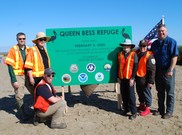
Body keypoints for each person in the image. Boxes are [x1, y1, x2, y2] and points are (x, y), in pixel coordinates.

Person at [151, 24, 178, 119]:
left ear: (166, 31)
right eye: (159, 31)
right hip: (158, 71)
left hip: (168, 71)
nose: (161, 32)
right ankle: (161, 109)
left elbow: (174, 57)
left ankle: (169, 111)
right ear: (157, 32)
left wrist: (170, 69)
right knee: (160, 92)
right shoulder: (154, 44)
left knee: (170, 92)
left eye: (163, 31)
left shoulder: (172, 42)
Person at [5, 32, 33, 122]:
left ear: (26, 39)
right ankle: (23, 114)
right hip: (18, 76)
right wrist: (14, 80)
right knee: (19, 96)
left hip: (28, 75)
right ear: (17, 39)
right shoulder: (12, 50)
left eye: (23, 38)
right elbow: (9, 66)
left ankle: (37, 110)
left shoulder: (29, 49)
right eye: (20, 39)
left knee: (35, 91)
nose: (22, 40)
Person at [118, 39, 138, 120]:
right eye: (124, 45)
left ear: (130, 46)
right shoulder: (119, 54)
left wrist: (133, 78)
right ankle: (126, 109)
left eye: (127, 45)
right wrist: (118, 77)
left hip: (130, 79)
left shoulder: (134, 54)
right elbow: (118, 66)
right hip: (122, 79)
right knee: (124, 95)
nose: (126, 47)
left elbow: (135, 67)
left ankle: (134, 112)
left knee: (131, 96)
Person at [136, 39, 156, 116]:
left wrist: (150, 81)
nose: (142, 47)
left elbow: (152, 70)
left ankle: (147, 108)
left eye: (144, 46)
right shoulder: (138, 54)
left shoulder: (150, 56)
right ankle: (142, 105)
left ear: (147, 46)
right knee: (139, 92)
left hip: (146, 79)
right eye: (141, 46)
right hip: (138, 78)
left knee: (146, 93)